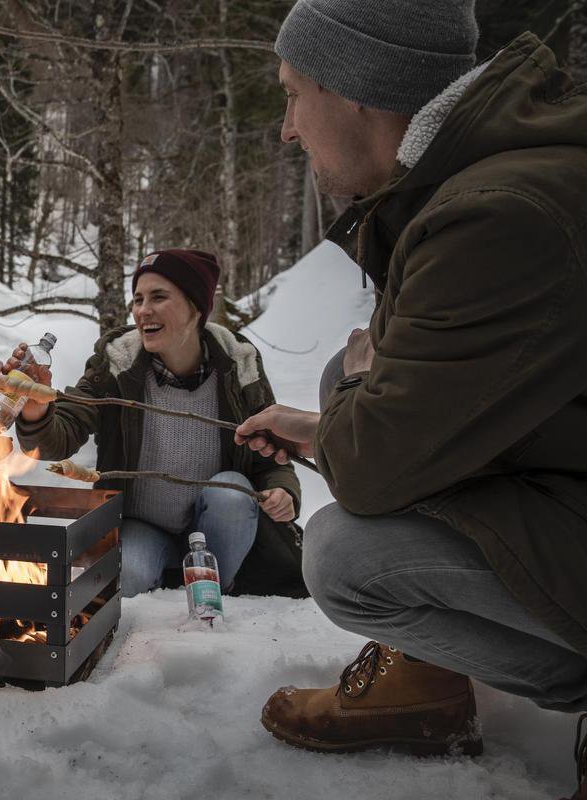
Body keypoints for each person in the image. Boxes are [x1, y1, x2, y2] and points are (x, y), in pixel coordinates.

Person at [235, 1, 587, 792]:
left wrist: (353, 407)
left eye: (294, 94)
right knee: (342, 383)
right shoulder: (469, 176)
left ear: (357, 86)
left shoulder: (498, 213)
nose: (287, 129)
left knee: (346, 557)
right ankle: (428, 680)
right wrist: (341, 408)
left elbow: (370, 470)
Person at [14, 249, 305, 598]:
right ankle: (164, 587)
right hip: (141, 525)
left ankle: (218, 588)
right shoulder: (117, 364)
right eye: (137, 299)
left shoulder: (237, 368)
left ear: (196, 307)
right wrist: (36, 407)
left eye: (158, 297)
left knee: (232, 491)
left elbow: (271, 455)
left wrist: (284, 491)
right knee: (129, 578)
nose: (142, 310)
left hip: (215, 529)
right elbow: (61, 435)